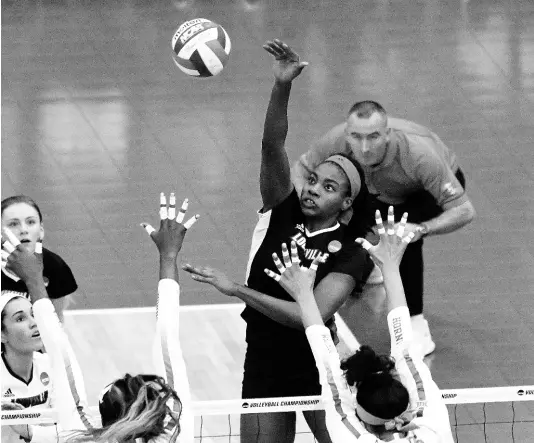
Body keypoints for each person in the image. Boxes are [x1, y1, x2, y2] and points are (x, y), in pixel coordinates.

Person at [182, 40, 374, 443]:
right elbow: (272, 146)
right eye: (313, 180)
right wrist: (281, 86)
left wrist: (237, 289)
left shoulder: (353, 252)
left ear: (345, 202)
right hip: (265, 358)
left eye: (329, 187)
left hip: (319, 364)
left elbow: (310, 314)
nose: (313, 190)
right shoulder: (281, 209)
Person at [1, 193, 198, 443]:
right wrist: (169, 256)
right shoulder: (175, 433)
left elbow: (61, 357)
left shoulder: (80, 437)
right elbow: (168, 342)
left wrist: (34, 281)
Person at [292, 101, 476, 357]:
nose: (364, 147)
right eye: (356, 137)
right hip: (376, 188)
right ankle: (364, 273)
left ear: (388, 135)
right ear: (347, 134)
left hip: (421, 193)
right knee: (340, 216)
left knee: (401, 239)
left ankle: (416, 324)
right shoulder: (334, 142)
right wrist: (317, 209)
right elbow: (299, 172)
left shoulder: (420, 157)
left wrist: (420, 228)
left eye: (373, 137)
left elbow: (464, 211)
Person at [265, 207, 454, 442]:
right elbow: (403, 353)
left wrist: (303, 295)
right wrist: (391, 268)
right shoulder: (433, 428)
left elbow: (334, 373)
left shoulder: (353, 438)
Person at [1, 196, 78, 322]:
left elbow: (56, 318)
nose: (23, 230)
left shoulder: (55, 266)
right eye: (13, 224)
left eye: (30, 222)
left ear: (41, 230)